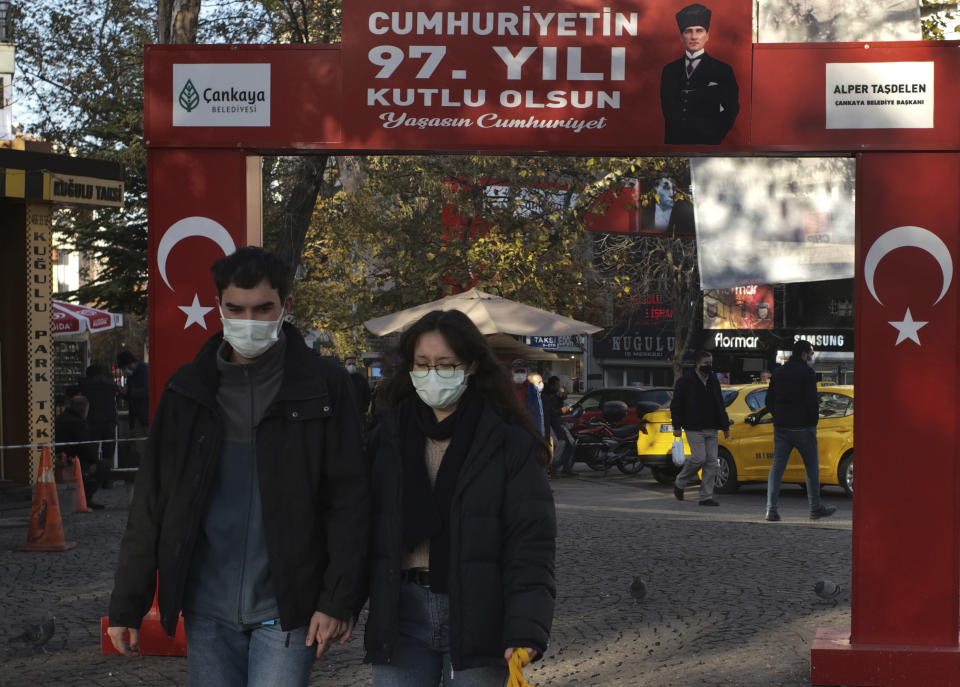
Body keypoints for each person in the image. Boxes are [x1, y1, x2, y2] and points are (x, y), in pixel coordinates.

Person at [107, 246, 369, 687]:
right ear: (219, 307)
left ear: (286, 306)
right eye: (237, 308)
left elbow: (350, 500)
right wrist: (126, 605)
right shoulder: (186, 390)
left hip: (289, 608)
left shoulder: (325, 386)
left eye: (263, 308)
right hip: (207, 607)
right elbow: (151, 501)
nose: (250, 320)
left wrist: (338, 600)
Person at [364, 309, 556, 686]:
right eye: (422, 363)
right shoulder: (387, 433)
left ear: (469, 367)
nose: (432, 373)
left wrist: (526, 628)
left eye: (445, 364)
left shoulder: (506, 439)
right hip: (401, 613)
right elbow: (363, 523)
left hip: (478, 614)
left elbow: (530, 541)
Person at [764, 339, 837, 522]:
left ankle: (771, 509)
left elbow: (768, 401)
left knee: (777, 467)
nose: (811, 356)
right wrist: (813, 422)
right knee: (811, 467)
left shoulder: (778, 372)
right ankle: (815, 508)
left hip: (781, 427)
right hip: (804, 427)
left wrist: (779, 416)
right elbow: (812, 401)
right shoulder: (807, 373)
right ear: (804, 353)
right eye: (810, 353)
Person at [659, 3, 740, 145]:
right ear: (681, 37)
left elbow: (732, 108)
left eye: (699, 30)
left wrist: (714, 134)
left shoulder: (723, 70)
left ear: (707, 35)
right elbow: (667, 108)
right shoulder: (669, 70)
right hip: (675, 142)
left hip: (708, 143)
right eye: (688, 31)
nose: (694, 36)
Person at [670, 350, 730, 507]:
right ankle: (680, 481)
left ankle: (706, 497)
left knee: (711, 462)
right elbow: (676, 405)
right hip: (693, 426)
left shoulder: (713, 381)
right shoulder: (685, 382)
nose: (708, 366)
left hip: (711, 426)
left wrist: (724, 425)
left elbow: (719, 404)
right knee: (699, 458)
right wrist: (676, 425)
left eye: (710, 363)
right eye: (705, 363)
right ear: (697, 364)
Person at [54, 395, 106, 509]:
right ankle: (86, 498)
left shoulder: (59, 419)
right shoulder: (78, 423)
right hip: (74, 461)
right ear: (85, 410)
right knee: (103, 465)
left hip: (59, 458)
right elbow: (86, 447)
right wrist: (95, 460)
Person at [77, 364, 120, 477]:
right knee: (109, 452)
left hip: (93, 421)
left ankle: (92, 475)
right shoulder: (111, 383)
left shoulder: (86, 384)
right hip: (109, 421)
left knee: (91, 451)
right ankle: (108, 477)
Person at [542, 376, 575, 476]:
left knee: (569, 443)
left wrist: (561, 397)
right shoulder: (545, 397)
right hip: (552, 425)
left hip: (558, 424)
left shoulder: (553, 396)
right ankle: (554, 468)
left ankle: (564, 467)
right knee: (560, 444)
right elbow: (551, 412)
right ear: (552, 386)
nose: (558, 387)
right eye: (557, 385)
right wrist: (561, 410)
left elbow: (557, 408)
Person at [116, 350, 150, 431]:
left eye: (125, 368)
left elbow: (147, 391)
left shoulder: (145, 370)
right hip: (136, 417)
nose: (125, 371)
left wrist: (129, 391)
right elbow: (130, 393)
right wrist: (124, 393)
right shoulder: (132, 374)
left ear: (131, 363)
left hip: (145, 416)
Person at [511, 363, 545, 436]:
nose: (519, 374)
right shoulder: (506, 387)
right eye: (517, 371)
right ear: (512, 372)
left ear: (526, 373)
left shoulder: (532, 389)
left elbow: (538, 412)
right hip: (511, 426)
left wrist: (540, 434)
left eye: (522, 371)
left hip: (527, 427)